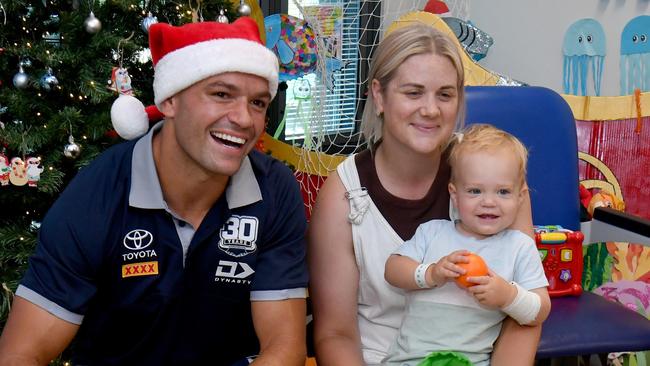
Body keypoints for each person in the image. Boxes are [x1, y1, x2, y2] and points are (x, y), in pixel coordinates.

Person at [0, 18, 308, 366]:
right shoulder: (97, 194)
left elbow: (285, 350)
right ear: (170, 101)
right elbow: (19, 354)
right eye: (222, 94)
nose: (244, 119)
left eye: (258, 103)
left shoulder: (275, 190)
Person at [307, 23, 543, 366]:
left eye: (444, 95)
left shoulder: (495, 180)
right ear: (379, 95)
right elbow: (335, 333)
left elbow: (524, 314)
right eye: (413, 92)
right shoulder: (344, 193)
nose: (431, 110)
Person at [383, 124, 551, 365]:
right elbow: (392, 269)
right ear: (454, 194)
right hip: (408, 360)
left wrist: (507, 296)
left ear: (520, 197)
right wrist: (431, 273)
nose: (489, 202)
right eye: (475, 191)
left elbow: (540, 310)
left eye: (503, 192)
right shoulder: (433, 232)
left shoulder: (519, 247)